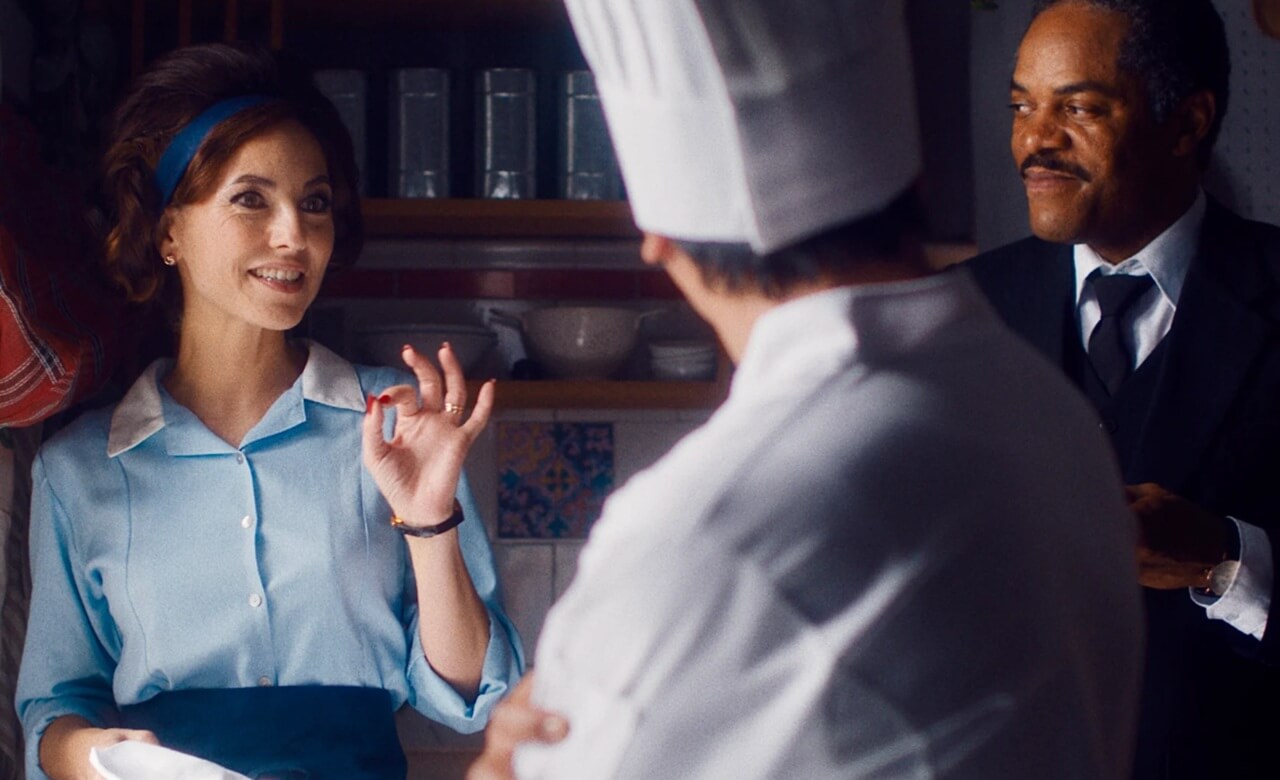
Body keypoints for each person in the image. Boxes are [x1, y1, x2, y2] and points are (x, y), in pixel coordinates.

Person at [470, 1, 1144, 777]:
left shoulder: (716, 521)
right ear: (911, 183)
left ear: (657, 233)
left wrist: (496, 763)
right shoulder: (1045, 407)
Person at [14, 42, 523, 780]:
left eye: (313, 202)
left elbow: (471, 696)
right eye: (251, 198)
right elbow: (54, 705)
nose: (295, 234)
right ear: (167, 232)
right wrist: (87, 756)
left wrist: (430, 522)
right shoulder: (79, 469)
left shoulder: (394, 424)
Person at [962, 1, 1280, 776]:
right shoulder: (954, 316)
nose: (1034, 141)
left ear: (1188, 121)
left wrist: (1228, 560)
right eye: (1021, 107)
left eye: (1078, 107)